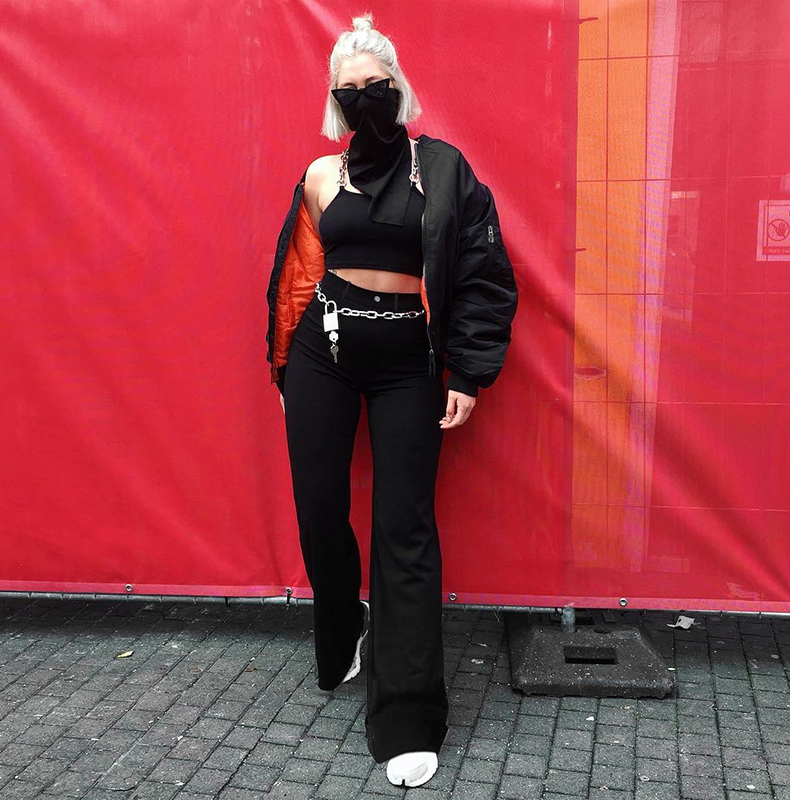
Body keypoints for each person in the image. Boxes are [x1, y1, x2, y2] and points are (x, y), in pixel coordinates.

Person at [265, 13, 518, 789]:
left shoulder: (442, 170)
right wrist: (284, 368)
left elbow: (481, 273)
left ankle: (407, 715)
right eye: (350, 89)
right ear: (334, 99)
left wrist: (468, 373)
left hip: (410, 360)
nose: (365, 98)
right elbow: (294, 276)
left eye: (377, 85)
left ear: (399, 87)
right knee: (318, 509)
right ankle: (345, 626)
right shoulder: (320, 176)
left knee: (404, 528)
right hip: (324, 353)